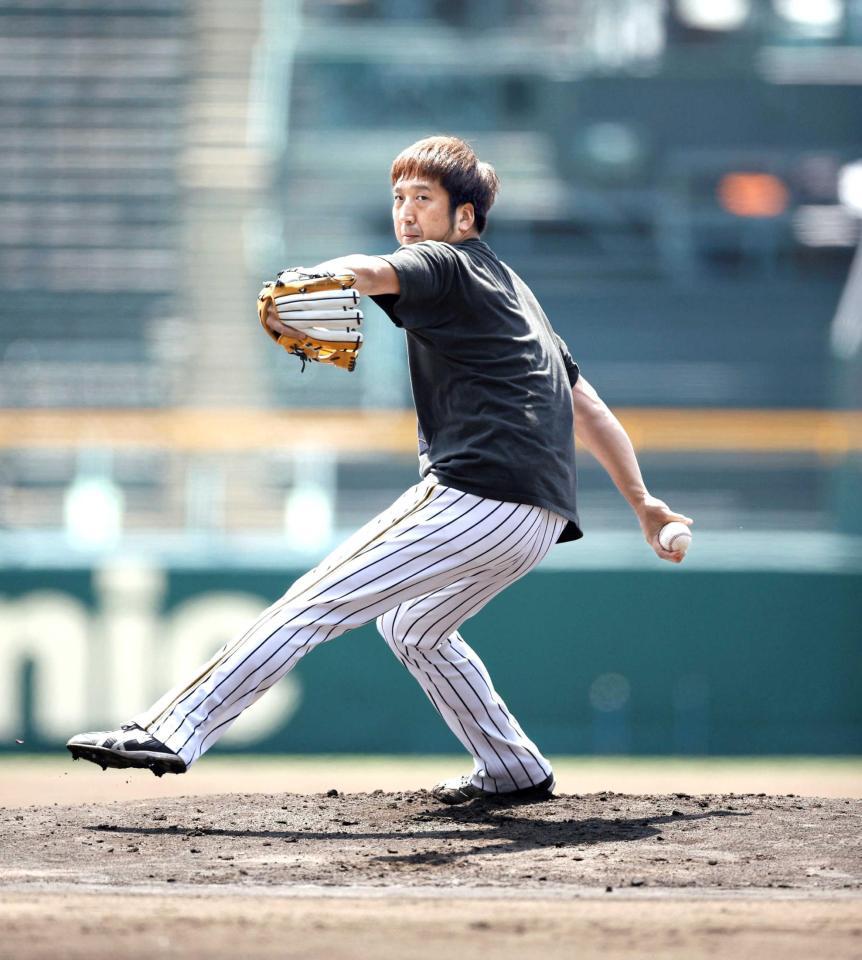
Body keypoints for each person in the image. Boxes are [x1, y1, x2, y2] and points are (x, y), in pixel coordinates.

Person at [67, 136, 692, 804]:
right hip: (538, 517)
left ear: (465, 218)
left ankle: (172, 727)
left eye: (424, 198)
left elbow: (370, 271)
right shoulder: (515, 292)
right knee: (411, 625)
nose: (407, 211)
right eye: (399, 197)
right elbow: (587, 407)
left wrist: (315, 277)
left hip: (476, 497)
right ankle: (512, 767)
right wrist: (644, 502)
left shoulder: (444, 263)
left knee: (313, 601)